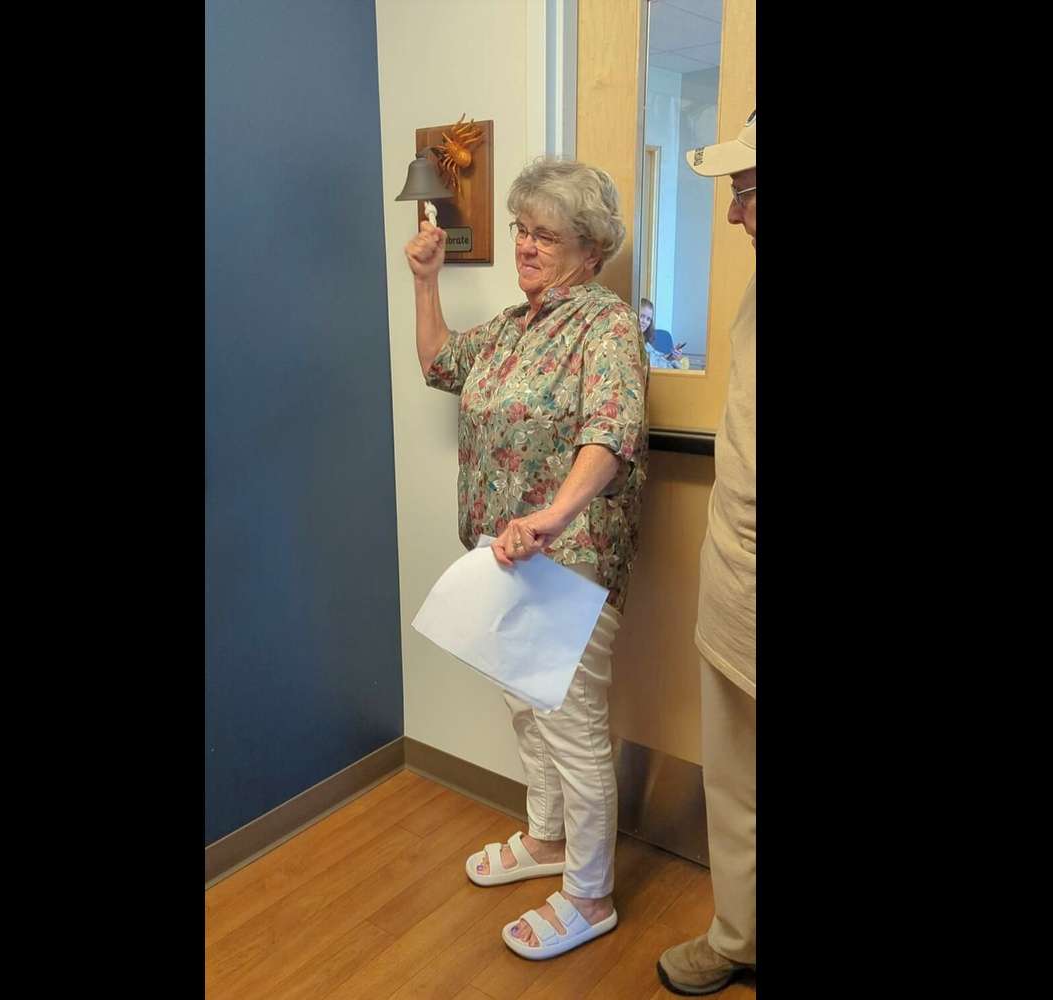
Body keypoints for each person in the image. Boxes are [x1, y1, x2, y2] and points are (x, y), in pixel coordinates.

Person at [405, 157, 649, 960]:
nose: (527, 245)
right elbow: (441, 360)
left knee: (572, 724)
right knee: (523, 703)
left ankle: (590, 890)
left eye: (547, 234)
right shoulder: (515, 326)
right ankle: (545, 840)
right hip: (501, 555)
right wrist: (427, 281)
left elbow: (608, 434)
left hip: (568, 559)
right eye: (522, 229)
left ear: (589, 248)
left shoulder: (603, 324)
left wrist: (549, 517)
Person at [656, 108, 757, 996]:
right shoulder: (754, 291)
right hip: (735, 586)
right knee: (735, 782)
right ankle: (738, 938)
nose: (733, 213)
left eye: (748, 190)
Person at [638, 298, 686, 369]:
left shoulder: (645, 343)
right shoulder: (630, 342)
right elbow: (652, 364)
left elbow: (657, 358)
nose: (644, 321)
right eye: (642, 316)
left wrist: (671, 356)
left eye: (648, 319)